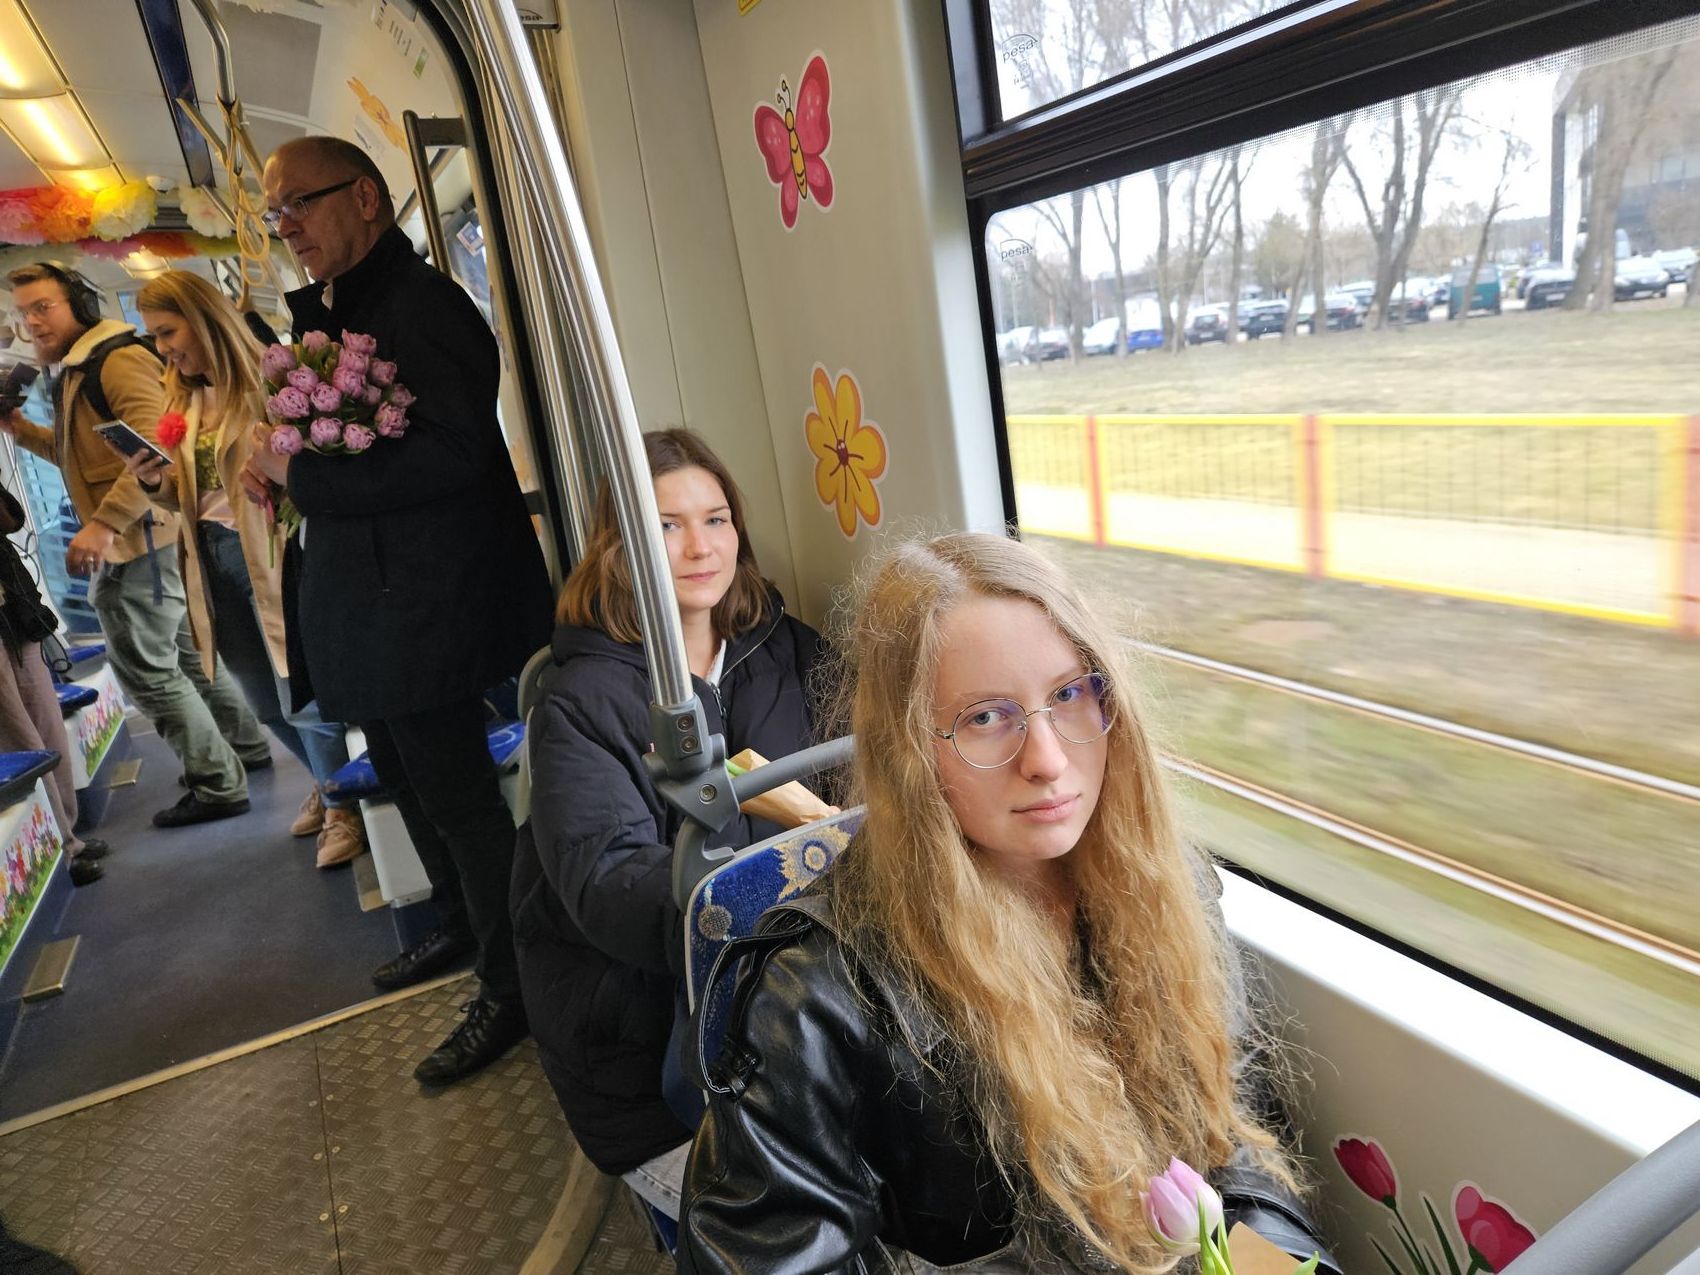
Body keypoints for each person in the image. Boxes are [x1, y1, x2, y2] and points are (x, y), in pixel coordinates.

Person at [677, 533, 1340, 1273]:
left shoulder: (1170, 890)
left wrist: (1272, 1266)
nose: (1048, 761)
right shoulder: (815, 997)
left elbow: (1237, 1145)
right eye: (986, 718)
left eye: (1070, 694)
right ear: (908, 752)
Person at [245, 136, 552, 1083]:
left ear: (367, 197)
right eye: (275, 212)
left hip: (425, 609)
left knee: (460, 799)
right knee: (405, 778)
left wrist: (301, 476)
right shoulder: (346, 309)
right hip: (374, 605)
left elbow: (456, 455)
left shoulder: (424, 307)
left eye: (299, 203)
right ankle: (460, 924)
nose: (286, 225)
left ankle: (514, 987)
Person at [511, 428, 827, 1219]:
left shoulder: (784, 647)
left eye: (716, 519)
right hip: (650, 1038)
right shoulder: (581, 703)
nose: (700, 546)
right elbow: (610, 882)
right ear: (620, 549)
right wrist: (798, 888)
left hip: (801, 995)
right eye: (667, 527)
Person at [3, 262, 270, 828]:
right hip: (152, 535)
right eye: (24, 313)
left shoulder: (115, 361)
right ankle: (243, 748)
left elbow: (153, 449)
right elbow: (87, 458)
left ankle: (218, 782)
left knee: (146, 670)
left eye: (43, 307)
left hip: (136, 540)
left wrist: (103, 523)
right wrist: (22, 432)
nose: (33, 323)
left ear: (79, 303)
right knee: (189, 657)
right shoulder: (79, 368)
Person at [114, 270, 365, 867]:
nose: (163, 349)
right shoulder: (183, 399)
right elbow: (188, 494)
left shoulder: (267, 382)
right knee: (261, 700)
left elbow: (304, 472)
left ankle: (343, 810)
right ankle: (329, 785)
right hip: (207, 558)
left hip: (271, 554)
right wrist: (155, 482)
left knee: (299, 693)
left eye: (169, 332)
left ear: (204, 322)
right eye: (155, 336)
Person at [0, 478, 109, 885]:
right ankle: (60, 850)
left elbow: (11, 520)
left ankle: (68, 834)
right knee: (20, 737)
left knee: (48, 731)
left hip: (17, 615)